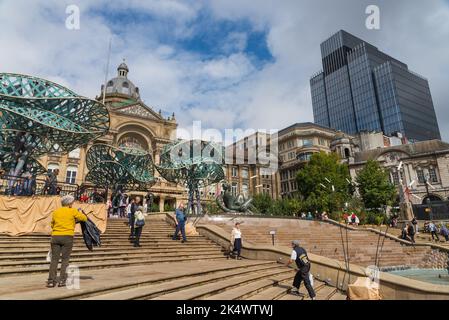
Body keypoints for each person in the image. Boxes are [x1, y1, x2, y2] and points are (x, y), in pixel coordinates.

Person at [47, 195, 87, 288]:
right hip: (67, 237)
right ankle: (62, 281)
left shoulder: (56, 212)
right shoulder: (72, 211)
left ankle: (51, 281)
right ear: (69, 203)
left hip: (55, 236)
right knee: (65, 260)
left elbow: (52, 224)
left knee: (54, 260)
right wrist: (80, 212)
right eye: (72, 203)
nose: (72, 204)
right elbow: (84, 218)